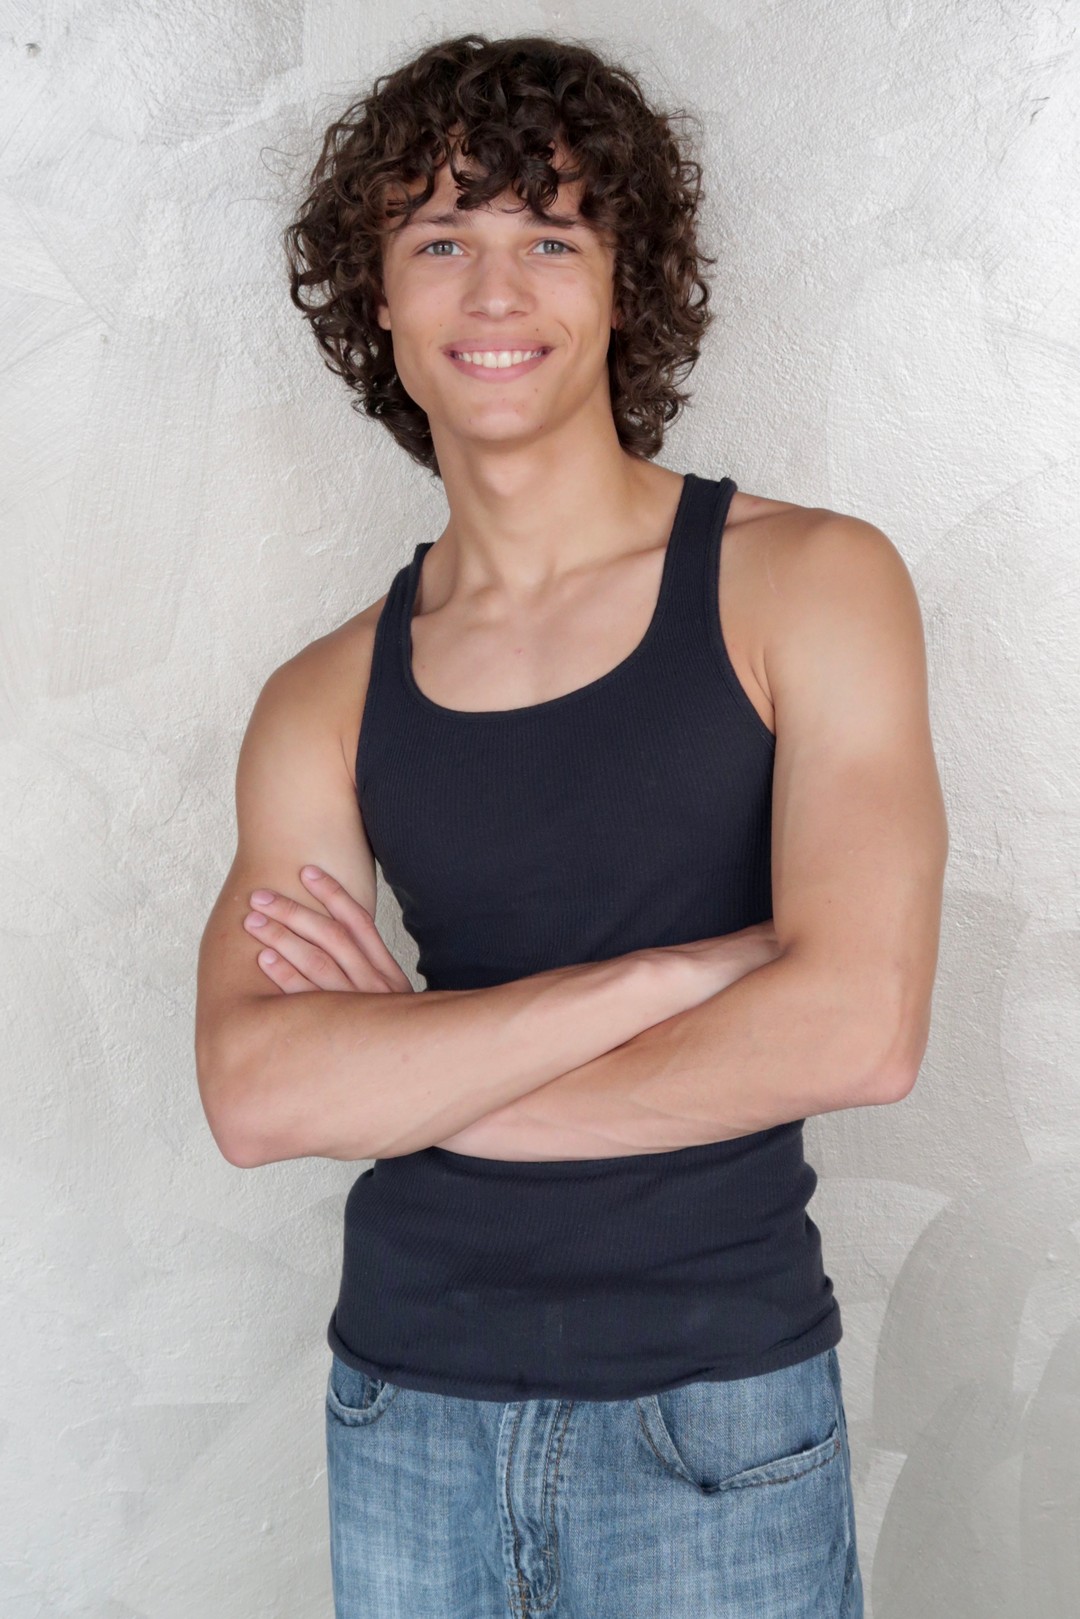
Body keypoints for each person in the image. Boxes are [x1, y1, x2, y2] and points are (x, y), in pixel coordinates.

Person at [194, 30, 948, 1619]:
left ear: (623, 286)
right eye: (439, 241)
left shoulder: (808, 583)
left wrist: (424, 1077)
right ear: (377, 298)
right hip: (403, 1413)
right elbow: (259, 1092)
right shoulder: (324, 693)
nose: (494, 291)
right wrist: (665, 979)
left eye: (551, 238)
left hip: (712, 1423)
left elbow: (858, 1029)